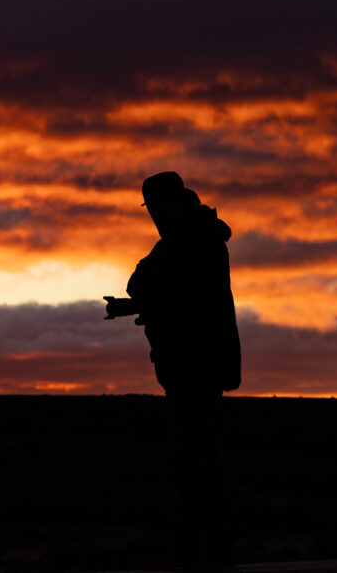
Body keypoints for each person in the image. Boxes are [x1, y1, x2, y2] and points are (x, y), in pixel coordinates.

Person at [104, 171, 241, 569]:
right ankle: (204, 545)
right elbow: (164, 293)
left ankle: (204, 548)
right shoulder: (194, 241)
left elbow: (147, 284)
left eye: (159, 209)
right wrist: (138, 306)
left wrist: (141, 302)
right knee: (197, 455)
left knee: (196, 456)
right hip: (194, 365)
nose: (156, 218)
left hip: (195, 366)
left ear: (174, 204)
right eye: (153, 211)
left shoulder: (188, 243)